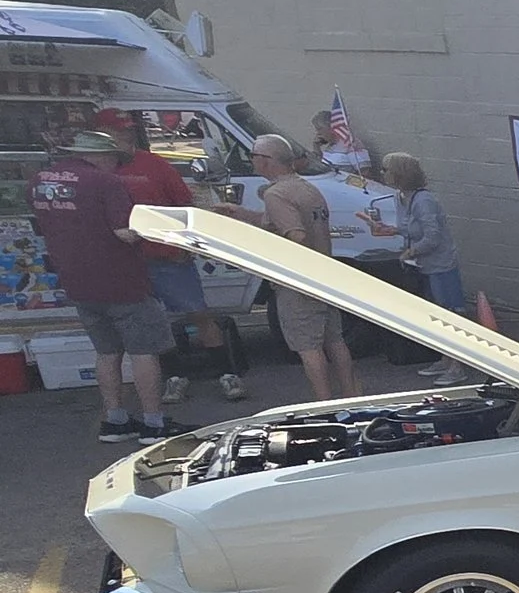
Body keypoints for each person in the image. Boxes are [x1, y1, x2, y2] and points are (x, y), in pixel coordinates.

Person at [29, 128, 174, 442]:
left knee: (106, 352)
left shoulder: (42, 180)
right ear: (102, 156)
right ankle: (154, 423)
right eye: (115, 159)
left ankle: (116, 421)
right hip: (121, 280)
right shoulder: (106, 182)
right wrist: (161, 227)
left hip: (77, 282)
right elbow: (124, 232)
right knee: (143, 352)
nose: (117, 166)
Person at [108, 115, 244, 403]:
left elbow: (185, 204)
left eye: (127, 132)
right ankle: (174, 377)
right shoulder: (99, 170)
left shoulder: (154, 164)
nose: (125, 138)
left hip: (166, 255)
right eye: (118, 133)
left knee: (197, 313)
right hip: (127, 261)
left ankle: (227, 373)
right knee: (155, 322)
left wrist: (186, 244)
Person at [251, 133, 359, 401]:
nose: (252, 162)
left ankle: (325, 403)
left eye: (253, 156)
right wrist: (241, 216)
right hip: (324, 275)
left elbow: (295, 234)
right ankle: (352, 396)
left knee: (308, 348)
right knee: (335, 340)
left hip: (297, 283)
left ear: (266, 161)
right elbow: (282, 222)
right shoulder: (307, 188)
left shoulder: (276, 194)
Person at [381, 153, 467, 382]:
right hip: (423, 265)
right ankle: (444, 359)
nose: (383, 174)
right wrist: (393, 231)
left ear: (399, 173)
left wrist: (411, 251)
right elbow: (410, 228)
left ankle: (457, 366)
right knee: (434, 314)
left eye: (386, 170)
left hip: (440, 265)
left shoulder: (423, 200)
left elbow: (432, 236)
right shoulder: (400, 197)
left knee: (450, 314)